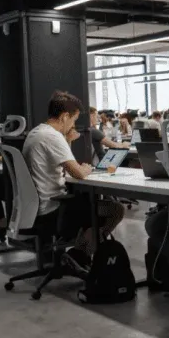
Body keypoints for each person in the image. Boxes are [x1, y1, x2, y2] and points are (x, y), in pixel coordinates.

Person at [23, 91, 125, 274]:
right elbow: (78, 173)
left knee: (89, 203)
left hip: (38, 207)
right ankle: (79, 255)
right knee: (115, 209)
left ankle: (79, 254)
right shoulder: (53, 136)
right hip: (54, 210)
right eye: (73, 120)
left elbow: (61, 162)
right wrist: (86, 168)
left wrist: (68, 141)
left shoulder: (37, 132)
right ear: (64, 117)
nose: (73, 125)